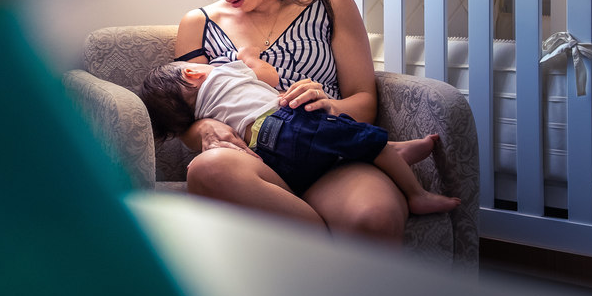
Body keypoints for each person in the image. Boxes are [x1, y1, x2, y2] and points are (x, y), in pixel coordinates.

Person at [175, 0, 416, 244]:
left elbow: (365, 102)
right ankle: (323, 259)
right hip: (252, 165)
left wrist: (327, 107)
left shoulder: (333, 7)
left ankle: (312, 261)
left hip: (330, 158)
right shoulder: (197, 24)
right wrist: (208, 127)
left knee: (374, 217)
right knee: (207, 169)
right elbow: (183, 117)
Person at [138, 49, 460, 215]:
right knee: (363, 138)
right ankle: (415, 192)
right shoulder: (222, 72)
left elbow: (185, 130)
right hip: (285, 120)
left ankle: (389, 150)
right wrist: (247, 56)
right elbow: (268, 75)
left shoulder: (202, 109)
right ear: (192, 72)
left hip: (263, 153)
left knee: (330, 153)